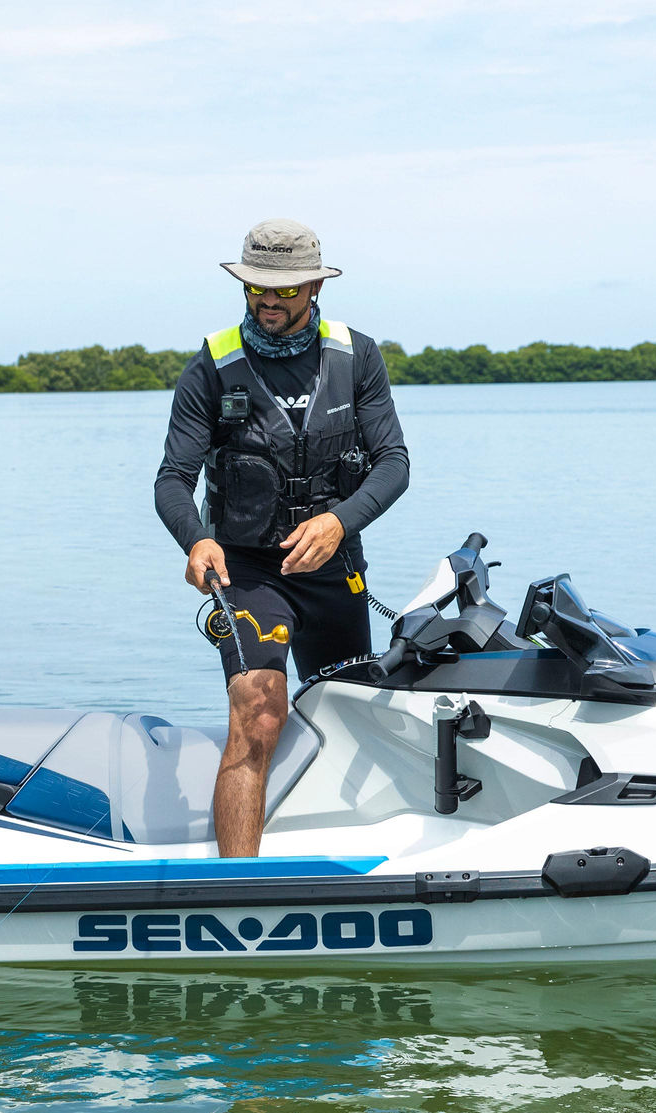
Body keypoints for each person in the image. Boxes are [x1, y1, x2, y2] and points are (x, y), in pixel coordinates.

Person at [153, 218, 410, 857]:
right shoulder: (211, 366)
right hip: (246, 572)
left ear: (315, 286)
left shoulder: (359, 356)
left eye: (286, 290)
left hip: (334, 568)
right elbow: (172, 480)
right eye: (257, 288)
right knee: (259, 712)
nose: (269, 300)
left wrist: (339, 521)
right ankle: (238, 885)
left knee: (353, 716)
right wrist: (196, 540)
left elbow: (394, 464)